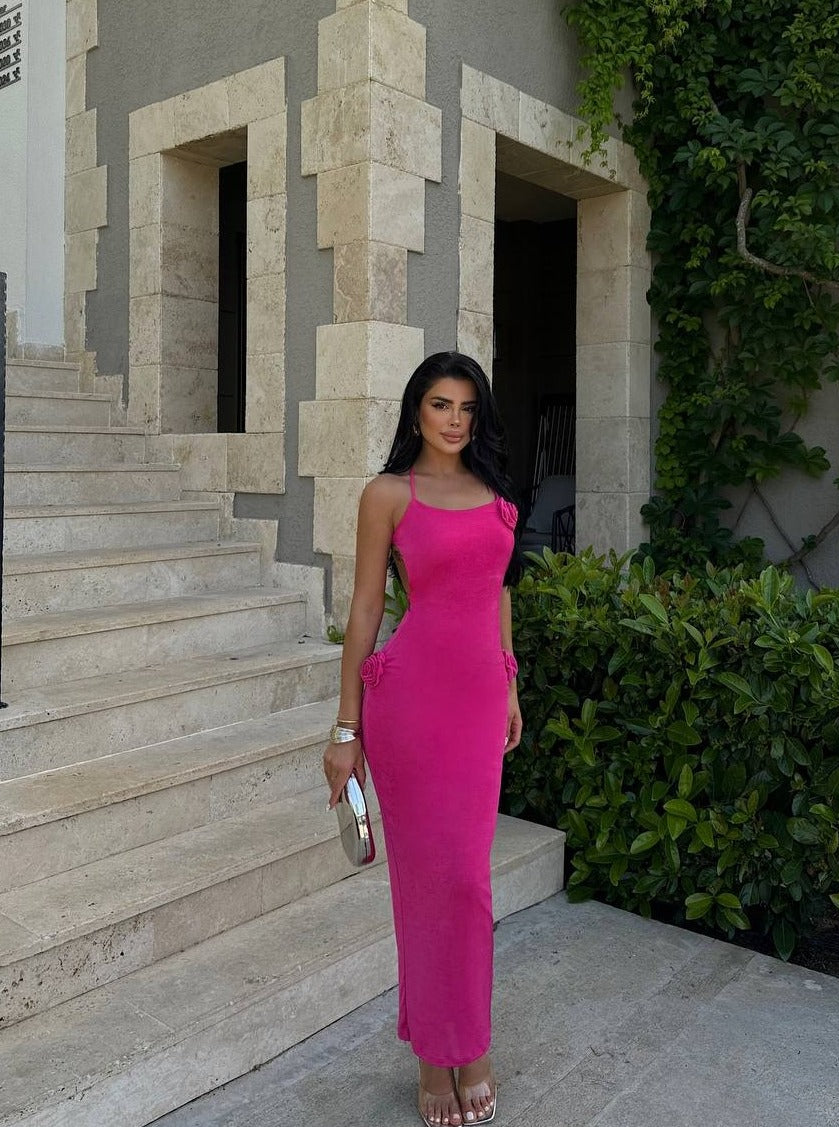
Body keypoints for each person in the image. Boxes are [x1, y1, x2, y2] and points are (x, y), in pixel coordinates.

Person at [323, 351, 523, 1126]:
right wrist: (347, 728)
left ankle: (465, 1039)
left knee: (468, 881)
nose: (454, 419)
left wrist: (510, 682)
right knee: (425, 883)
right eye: (441, 404)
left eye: (467, 407)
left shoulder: (496, 493)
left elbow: (500, 595)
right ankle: (435, 1058)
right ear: (416, 412)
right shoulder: (388, 495)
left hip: (476, 706)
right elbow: (367, 609)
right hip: (408, 703)